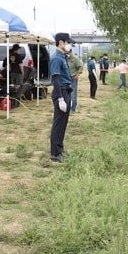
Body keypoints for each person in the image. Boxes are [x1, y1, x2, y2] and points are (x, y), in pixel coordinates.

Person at [49, 33, 76, 161]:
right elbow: (56, 79)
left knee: (63, 123)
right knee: (58, 123)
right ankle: (55, 153)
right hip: (61, 92)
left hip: (66, 91)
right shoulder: (56, 58)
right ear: (61, 42)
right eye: (67, 42)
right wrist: (60, 98)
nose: (69, 45)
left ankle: (60, 149)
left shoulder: (63, 57)